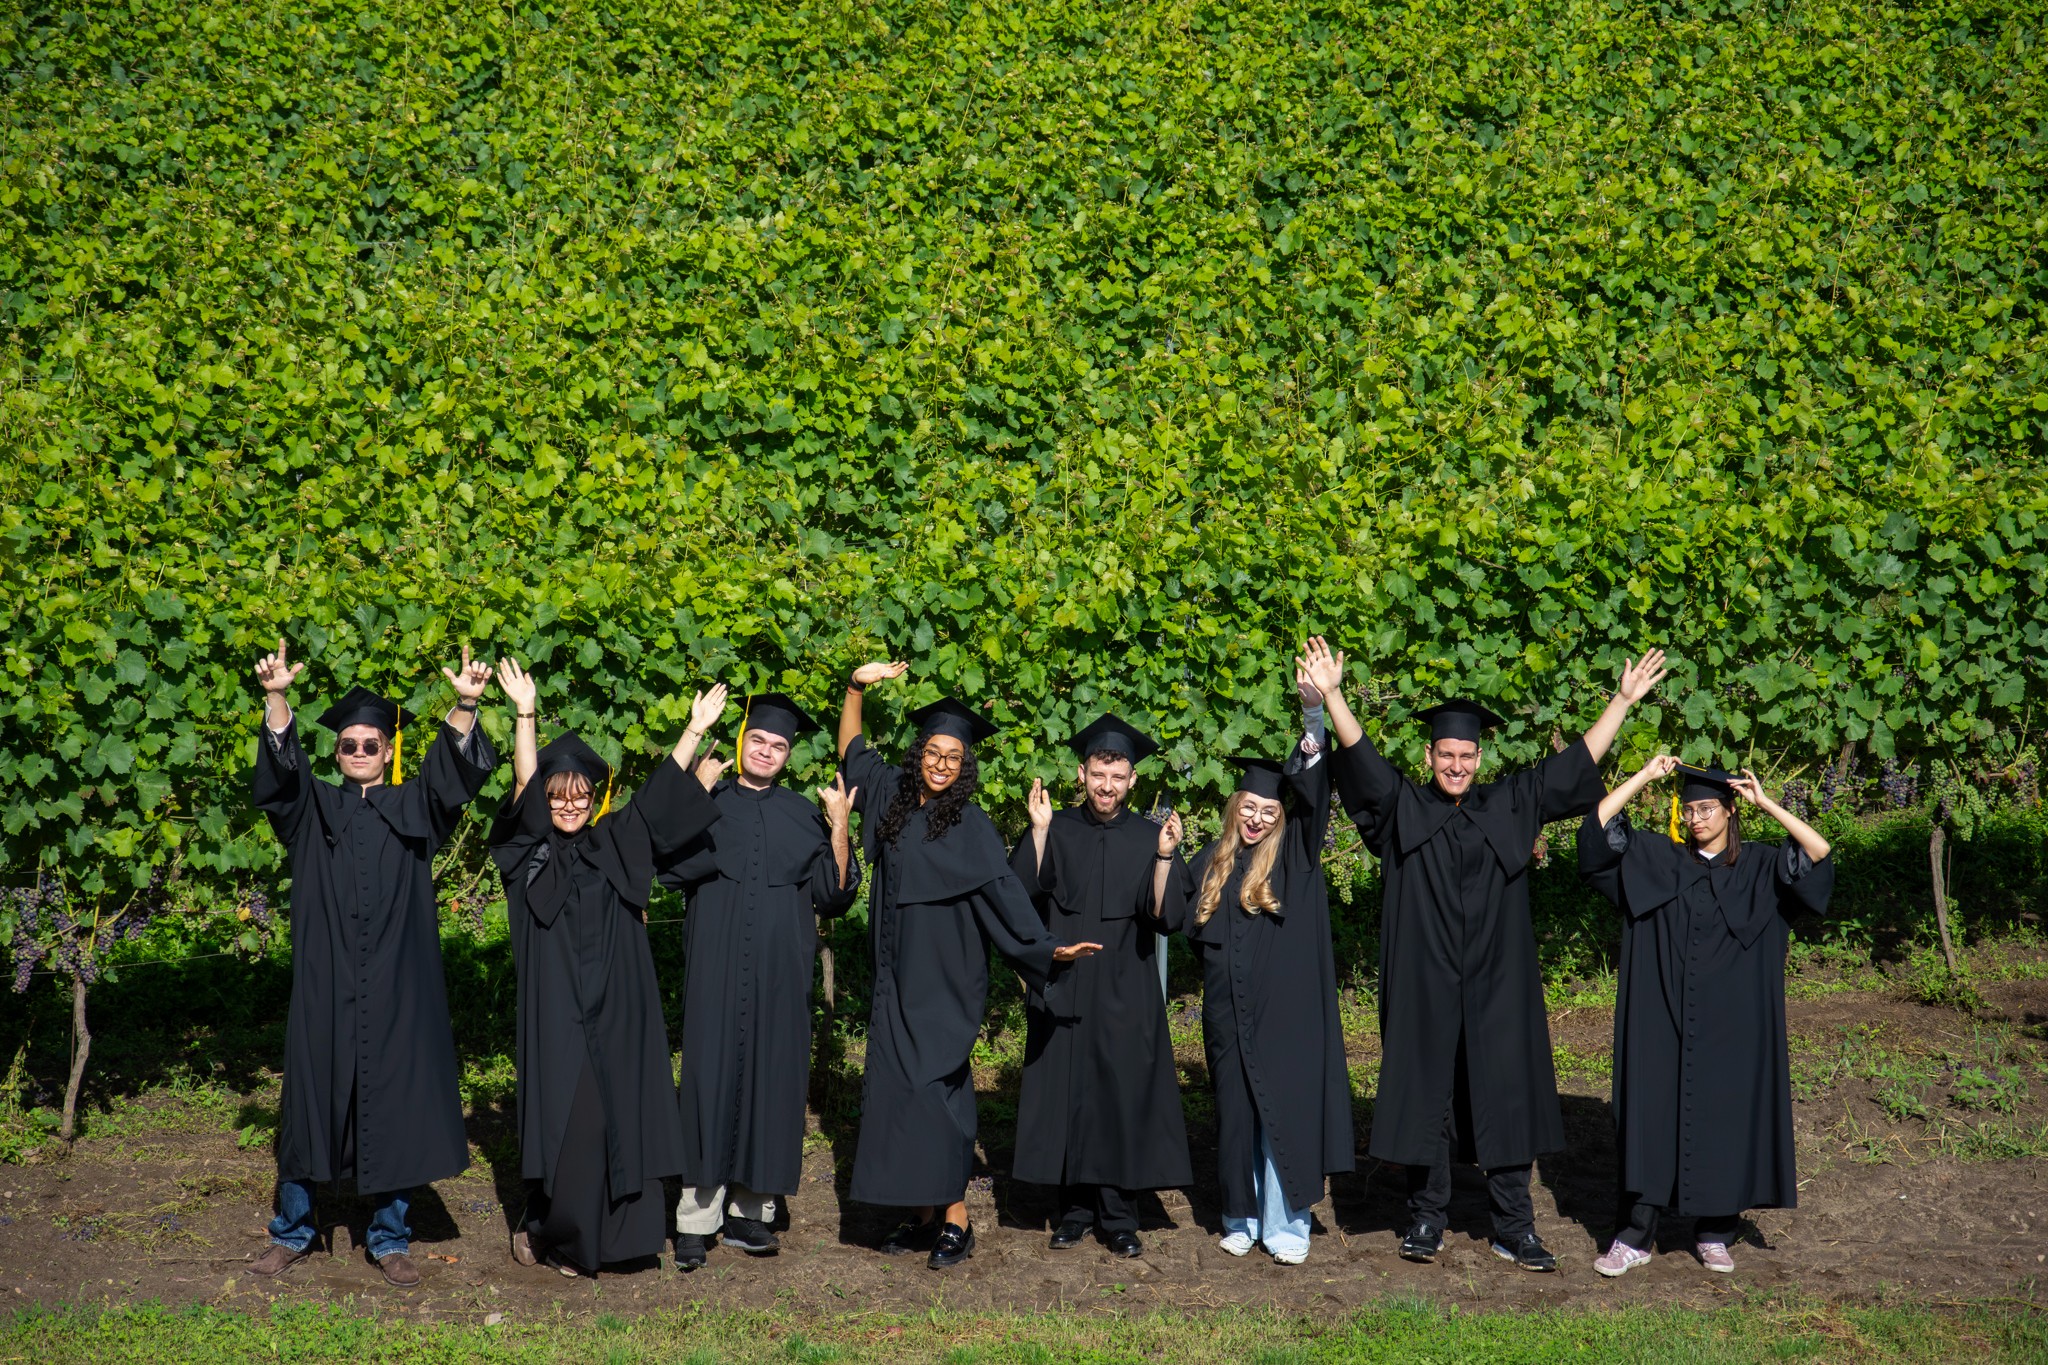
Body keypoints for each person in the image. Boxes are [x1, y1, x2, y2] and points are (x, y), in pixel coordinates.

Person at [1320, 637, 1669, 1272]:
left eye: (1466, 755)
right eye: (1446, 755)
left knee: (1506, 1095)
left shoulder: (1509, 803)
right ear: (1429, 756)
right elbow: (1362, 761)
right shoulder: (1403, 807)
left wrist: (1621, 702)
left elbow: (1574, 765)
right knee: (1426, 1095)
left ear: (1480, 757)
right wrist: (1335, 696)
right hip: (1424, 982)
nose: (1456, 765)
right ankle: (1426, 1218)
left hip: (1499, 983)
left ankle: (1515, 1226)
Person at [247, 639, 497, 1287]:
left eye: (370, 743)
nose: (359, 750)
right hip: (325, 985)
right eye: (348, 744)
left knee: (394, 1104)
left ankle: (389, 1237)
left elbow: (453, 774)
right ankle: (293, 1230)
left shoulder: (417, 808)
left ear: (388, 751)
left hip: (397, 987)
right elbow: (281, 774)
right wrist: (277, 698)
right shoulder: (313, 809)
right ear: (336, 753)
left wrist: (466, 704)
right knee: (309, 1104)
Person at [837, 662, 1101, 1270]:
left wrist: (1046, 947)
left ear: (964, 766)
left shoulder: (970, 825)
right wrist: (855, 687)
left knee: (936, 1092)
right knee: (898, 1092)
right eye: (933, 752)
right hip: (895, 974)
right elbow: (852, 749)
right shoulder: (890, 797)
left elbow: (1004, 894)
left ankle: (956, 1217)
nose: (941, 764)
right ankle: (923, 1214)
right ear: (919, 755)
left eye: (953, 757)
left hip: (946, 978)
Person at [489, 661, 726, 1276]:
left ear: (595, 799)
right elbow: (524, 789)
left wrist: (693, 731)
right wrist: (525, 714)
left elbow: (655, 804)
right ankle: (560, 1237)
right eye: (557, 796)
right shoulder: (529, 856)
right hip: (557, 1016)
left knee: (623, 1118)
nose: (569, 805)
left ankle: (624, 1243)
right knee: (574, 1129)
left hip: (620, 1013)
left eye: (580, 796)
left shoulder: (615, 841)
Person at [1579, 758, 1834, 1277]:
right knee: (1651, 1118)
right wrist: (1643, 778)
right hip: (1661, 1018)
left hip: (1731, 1025)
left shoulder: (1761, 866)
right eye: (1689, 810)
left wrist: (1767, 803)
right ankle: (1634, 1237)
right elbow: (1596, 832)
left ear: (1729, 810)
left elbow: (1819, 853)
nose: (1695, 819)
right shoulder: (1657, 859)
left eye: (1707, 809)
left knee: (1725, 1117)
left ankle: (1715, 1233)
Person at [657, 692, 862, 1271]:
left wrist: (840, 826)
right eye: (758, 740)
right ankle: (696, 1218)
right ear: (742, 741)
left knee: (772, 1084)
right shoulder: (709, 796)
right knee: (708, 1082)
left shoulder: (803, 814)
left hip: (780, 977)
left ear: (788, 755)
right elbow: (666, 864)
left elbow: (834, 895)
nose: (767, 751)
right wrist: (694, 794)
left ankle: (751, 1212)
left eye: (778, 745)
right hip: (715, 969)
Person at [1172, 650, 1354, 1265]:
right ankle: (1240, 1218)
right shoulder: (1212, 861)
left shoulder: (1298, 853)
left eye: (1267, 811)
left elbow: (1314, 786)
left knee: (1285, 1116)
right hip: (1226, 1017)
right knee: (1236, 1117)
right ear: (1234, 809)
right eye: (1247, 808)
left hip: (1286, 1018)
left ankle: (1287, 1226)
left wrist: (1313, 713)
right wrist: (1164, 854)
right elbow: (1170, 913)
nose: (1255, 819)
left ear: (1282, 816)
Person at [1011, 714, 1192, 1258]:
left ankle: (1119, 1216)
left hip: (1124, 986)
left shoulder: (1149, 836)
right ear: (1082, 774)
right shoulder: (1057, 826)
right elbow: (1020, 894)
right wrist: (1038, 831)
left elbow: (1165, 916)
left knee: (1118, 1098)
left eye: (1117, 776)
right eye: (1097, 774)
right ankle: (1074, 1211)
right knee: (1068, 1094)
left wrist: (1165, 857)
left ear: (1132, 779)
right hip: (1066, 981)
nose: (1106, 786)